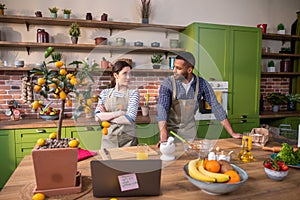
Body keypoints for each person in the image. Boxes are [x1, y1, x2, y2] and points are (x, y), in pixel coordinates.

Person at [157, 52, 242, 146]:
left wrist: (232, 133)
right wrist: (163, 137)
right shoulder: (168, 83)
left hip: (190, 132)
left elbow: (215, 106)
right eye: (174, 67)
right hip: (169, 133)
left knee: (194, 159)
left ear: (189, 70)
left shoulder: (202, 84)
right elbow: (162, 110)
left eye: (179, 68)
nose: (174, 71)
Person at [95, 60, 140, 149]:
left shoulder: (134, 93)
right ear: (116, 75)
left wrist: (106, 117)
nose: (128, 77)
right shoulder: (104, 93)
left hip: (128, 142)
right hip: (108, 141)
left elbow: (129, 119)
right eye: (125, 73)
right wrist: (119, 113)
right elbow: (97, 117)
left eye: (130, 74)